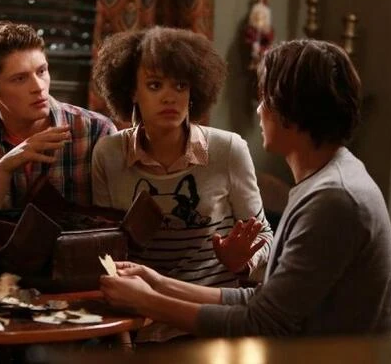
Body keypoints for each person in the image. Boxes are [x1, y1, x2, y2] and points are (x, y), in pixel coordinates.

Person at [100, 39, 391, 337]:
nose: (258, 110)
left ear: (291, 109)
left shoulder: (334, 199)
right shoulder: (326, 181)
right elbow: (264, 299)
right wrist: (157, 282)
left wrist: (147, 302)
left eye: (265, 99)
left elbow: (262, 323)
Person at [92, 26, 273, 342]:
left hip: (210, 324)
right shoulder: (108, 154)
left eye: (180, 85)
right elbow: (106, 249)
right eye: (154, 85)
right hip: (138, 326)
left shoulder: (228, 150)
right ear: (132, 92)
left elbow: (265, 235)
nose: (170, 97)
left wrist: (244, 261)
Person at [0, 21, 117, 210]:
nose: (38, 87)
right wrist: (4, 169)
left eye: (41, 71)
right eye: (20, 79)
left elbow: (114, 220)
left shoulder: (96, 131)